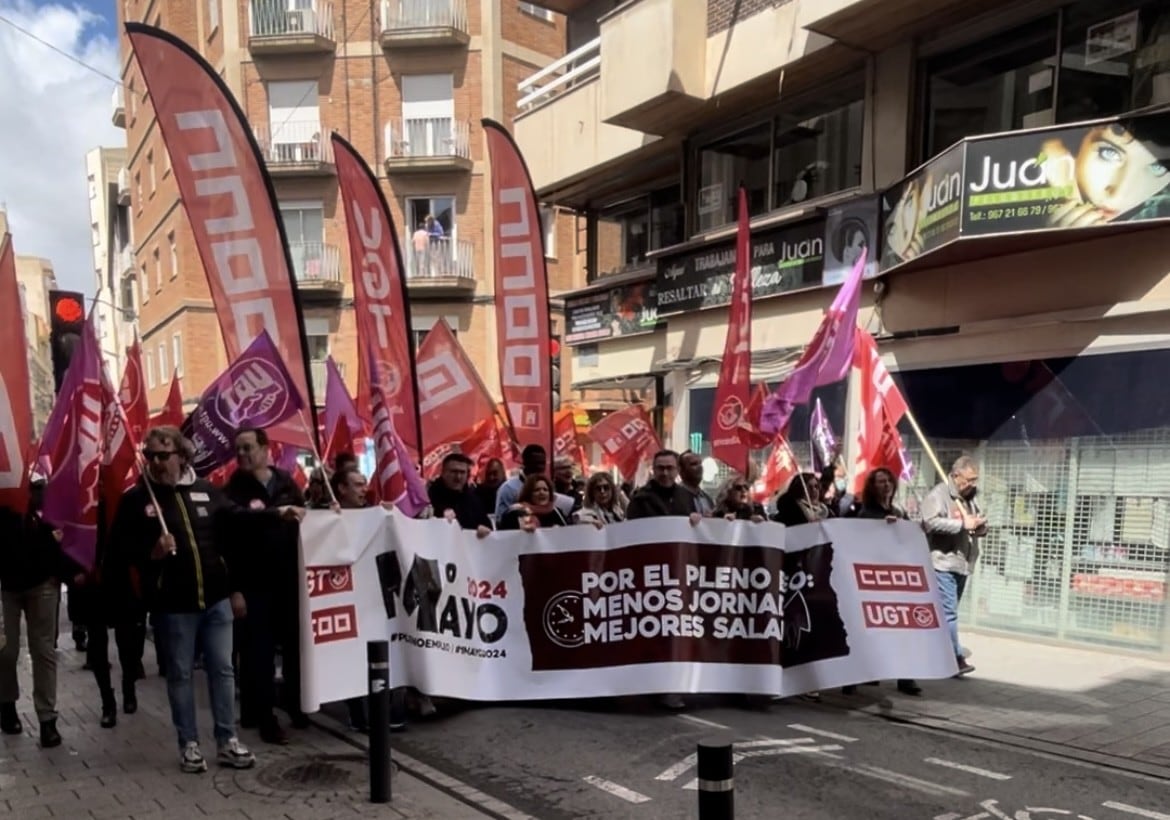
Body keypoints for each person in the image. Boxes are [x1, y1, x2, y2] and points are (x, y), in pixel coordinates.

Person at [111, 425, 301, 773]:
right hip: (174, 605)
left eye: (163, 455)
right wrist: (151, 552)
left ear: (182, 456)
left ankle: (227, 740)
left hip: (216, 600)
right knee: (181, 675)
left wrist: (276, 513)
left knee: (224, 670)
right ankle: (189, 744)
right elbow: (119, 551)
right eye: (150, 456)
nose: (156, 462)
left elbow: (238, 522)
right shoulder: (137, 500)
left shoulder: (206, 491)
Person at [223, 427, 309, 745]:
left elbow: (306, 523)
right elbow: (230, 535)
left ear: (264, 448)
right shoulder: (233, 490)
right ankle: (264, 717)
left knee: (294, 646)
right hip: (253, 583)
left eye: (248, 448)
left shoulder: (286, 482)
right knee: (257, 653)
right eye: (238, 450)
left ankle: (297, 704)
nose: (242, 455)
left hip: (288, 580)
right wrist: (235, 590)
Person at [0, 480, 77, 747]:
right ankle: (7, 703)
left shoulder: (45, 496)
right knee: (6, 650)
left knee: (43, 649)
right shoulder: (4, 498)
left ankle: (47, 718)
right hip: (8, 586)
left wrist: (69, 572)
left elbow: (61, 535)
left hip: (42, 582)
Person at [624, 450, 701, 710]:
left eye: (669, 468)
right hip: (651, 577)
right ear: (653, 470)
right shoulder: (641, 499)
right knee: (655, 633)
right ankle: (654, 685)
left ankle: (671, 687)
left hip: (679, 576)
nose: (665, 473)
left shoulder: (686, 498)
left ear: (677, 470)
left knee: (676, 633)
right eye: (660, 468)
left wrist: (697, 523)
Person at [842, 468, 921, 696]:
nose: (885, 485)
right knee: (866, 632)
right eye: (880, 482)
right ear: (872, 486)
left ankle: (905, 677)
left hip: (894, 582)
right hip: (871, 581)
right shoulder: (865, 513)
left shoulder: (898, 511)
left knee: (901, 631)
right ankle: (853, 677)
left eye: (888, 481)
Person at [921, 455, 986, 677]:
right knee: (948, 612)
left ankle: (933, 653)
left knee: (947, 612)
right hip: (943, 562)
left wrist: (979, 526)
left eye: (975, 479)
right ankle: (954, 658)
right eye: (969, 479)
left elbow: (976, 519)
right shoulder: (939, 495)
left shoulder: (970, 497)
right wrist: (960, 524)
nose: (973, 484)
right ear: (956, 475)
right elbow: (929, 522)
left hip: (964, 563)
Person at [494, 444, 574, 520]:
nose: (539, 467)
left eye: (542, 463)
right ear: (524, 463)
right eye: (535, 463)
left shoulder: (555, 510)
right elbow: (500, 520)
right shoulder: (508, 489)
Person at [428, 453, 492, 535]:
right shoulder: (430, 497)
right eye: (454, 472)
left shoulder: (473, 499)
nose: (458, 477)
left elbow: (488, 528)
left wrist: (483, 530)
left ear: (467, 475)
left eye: (462, 472)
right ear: (443, 473)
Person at [498, 475, 570, 530]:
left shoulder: (556, 512)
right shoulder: (514, 513)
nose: (542, 493)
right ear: (528, 494)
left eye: (545, 490)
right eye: (537, 490)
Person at [678, 450, 715, 517]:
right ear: (681, 471)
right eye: (693, 464)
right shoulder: (675, 496)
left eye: (700, 463)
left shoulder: (707, 498)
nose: (700, 467)